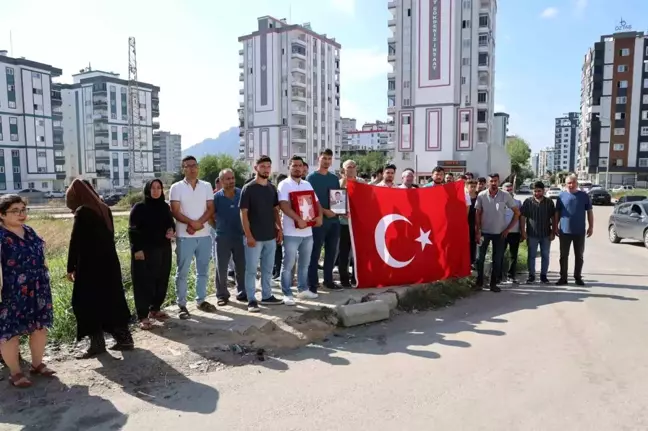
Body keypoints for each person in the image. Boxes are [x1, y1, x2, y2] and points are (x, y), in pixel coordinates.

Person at [66, 179, 133, 357]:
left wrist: (70, 267)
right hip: (110, 264)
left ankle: (97, 344)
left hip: (90, 266)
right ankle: (124, 339)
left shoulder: (83, 211)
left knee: (86, 303)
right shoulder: (104, 208)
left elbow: (76, 241)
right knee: (112, 300)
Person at [0, 195, 55, 388]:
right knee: (10, 333)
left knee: (40, 327)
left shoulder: (30, 231)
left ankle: (37, 364)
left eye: (23, 209)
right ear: (1, 214)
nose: (21, 214)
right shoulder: (1, 236)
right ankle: (15, 373)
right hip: (11, 292)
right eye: (15, 210)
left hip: (38, 288)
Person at [169, 156, 217, 319]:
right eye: (188, 166)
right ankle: (181, 304)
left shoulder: (206, 186)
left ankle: (201, 300)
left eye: (194, 165)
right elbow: (175, 211)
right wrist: (191, 223)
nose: (192, 168)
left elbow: (211, 208)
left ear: (198, 167)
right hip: (184, 236)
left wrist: (199, 223)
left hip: (204, 235)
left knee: (202, 271)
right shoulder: (176, 187)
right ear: (183, 169)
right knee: (182, 272)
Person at [129, 179, 175, 330]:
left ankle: (154, 309)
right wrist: (137, 250)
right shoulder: (139, 207)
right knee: (143, 283)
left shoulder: (164, 207)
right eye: (153, 188)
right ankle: (142, 316)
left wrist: (171, 230)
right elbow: (133, 231)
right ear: (148, 190)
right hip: (144, 251)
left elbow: (170, 223)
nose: (156, 191)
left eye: (159, 188)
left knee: (161, 279)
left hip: (163, 249)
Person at [240, 155, 284, 312]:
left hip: (270, 236)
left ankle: (267, 295)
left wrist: (279, 229)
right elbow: (243, 214)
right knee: (251, 269)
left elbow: (275, 211)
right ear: (256, 168)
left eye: (268, 167)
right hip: (254, 237)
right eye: (263, 166)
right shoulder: (248, 188)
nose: (266, 169)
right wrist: (248, 235)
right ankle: (251, 299)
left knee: (268, 268)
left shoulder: (272, 188)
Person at [278, 156, 323, 303]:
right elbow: (284, 205)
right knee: (288, 264)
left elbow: (316, 204)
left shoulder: (307, 184)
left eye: (300, 166)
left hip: (307, 232)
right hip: (291, 232)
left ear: (303, 168)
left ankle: (303, 290)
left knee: (305, 263)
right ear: (289, 167)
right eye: (294, 165)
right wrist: (298, 219)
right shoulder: (284, 185)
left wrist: (320, 217)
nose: (297, 168)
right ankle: (286, 293)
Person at [474, 173, 520, 292]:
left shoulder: (505, 196)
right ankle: (479, 282)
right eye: (491, 181)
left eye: (496, 181)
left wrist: (508, 229)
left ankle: (493, 283)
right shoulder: (481, 195)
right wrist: (478, 231)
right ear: (488, 182)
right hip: (484, 232)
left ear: (499, 182)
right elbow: (477, 214)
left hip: (500, 233)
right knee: (480, 258)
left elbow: (517, 213)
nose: (493, 183)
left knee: (497, 259)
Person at [307, 149, 344, 291]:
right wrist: (324, 211)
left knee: (331, 253)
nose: (327, 161)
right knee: (315, 253)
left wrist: (339, 211)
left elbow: (338, 198)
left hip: (334, 222)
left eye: (329, 159)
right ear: (319, 158)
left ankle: (328, 281)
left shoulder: (334, 178)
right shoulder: (311, 178)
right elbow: (309, 200)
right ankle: (313, 283)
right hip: (318, 221)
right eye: (324, 158)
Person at [213, 169, 246, 305]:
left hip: (239, 236)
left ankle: (242, 292)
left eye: (232, 178)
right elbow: (210, 216)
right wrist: (218, 228)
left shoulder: (241, 194)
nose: (231, 181)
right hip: (223, 237)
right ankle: (222, 295)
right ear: (221, 181)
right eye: (227, 179)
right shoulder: (217, 197)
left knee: (241, 266)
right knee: (221, 267)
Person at [555, 174, 593, 286]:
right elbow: (557, 212)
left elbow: (590, 212)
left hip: (579, 231)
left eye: (573, 182)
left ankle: (578, 277)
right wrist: (555, 226)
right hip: (564, 231)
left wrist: (591, 227)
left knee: (579, 256)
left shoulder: (584, 196)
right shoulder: (561, 196)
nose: (571, 185)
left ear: (577, 183)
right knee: (563, 256)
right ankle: (563, 278)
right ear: (565, 184)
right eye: (569, 183)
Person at [520, 181, 556, 284]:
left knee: (545, 255)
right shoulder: (528, 202)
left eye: (539, 191)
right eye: (535, 191)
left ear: (543, 191)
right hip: (532, 234)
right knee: (531, 256)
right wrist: (523, 231)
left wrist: (553, 231)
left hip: (546, 234)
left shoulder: (549, 202)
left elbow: (553, 217)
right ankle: (531, 275)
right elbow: (523, 217)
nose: (536, 193)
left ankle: (543, 276)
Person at [338, 159, 364, 287]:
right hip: (343, 223)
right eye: (349, 167)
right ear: (344, 169)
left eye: (353, 166)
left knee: (357, 253)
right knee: (344, 253)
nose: (351, 169)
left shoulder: (362, 183)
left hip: (358, 224)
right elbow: (336, 201)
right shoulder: (339, 183)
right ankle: (344, 279)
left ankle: (356, 277)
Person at [499, 182, 522, 284]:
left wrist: (522, 231)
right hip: (501, 232)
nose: (509, 191)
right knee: (499, 254)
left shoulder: (518, 202)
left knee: (513, 255)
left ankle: (511, 276)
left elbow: (520, 217)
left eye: (510, 189)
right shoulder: (499, 202)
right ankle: (498, 276)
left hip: (514, 232)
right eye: (507, 190)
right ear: (503, 190)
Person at [272, 173, 288, 283]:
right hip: (276, 225)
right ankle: (276, 272)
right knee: (276, 250)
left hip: (286, 226)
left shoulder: (287, 194)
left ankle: (282, 273)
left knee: (284, 252)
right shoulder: (274, 195)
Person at [465, 179, 479, 266]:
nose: (473, 188)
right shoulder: (465, 197)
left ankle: (472, 262)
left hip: (475, 224)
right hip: (466, 223)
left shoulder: (479, 198)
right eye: (471, 186)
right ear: (467, 187)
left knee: (473, 244)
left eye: (475, 186)